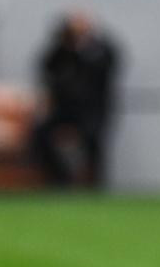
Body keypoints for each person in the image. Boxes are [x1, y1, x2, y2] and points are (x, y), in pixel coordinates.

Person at [33, 12, 119, 188]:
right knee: (40, 134)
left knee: (93, 140)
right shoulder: (60, 52)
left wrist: (84, 47)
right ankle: (60, 179)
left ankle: (94, 184)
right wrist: (65, 46)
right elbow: (47, 70)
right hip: (64, 108)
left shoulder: (99, 49)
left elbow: (106, 65)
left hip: (92, 110)